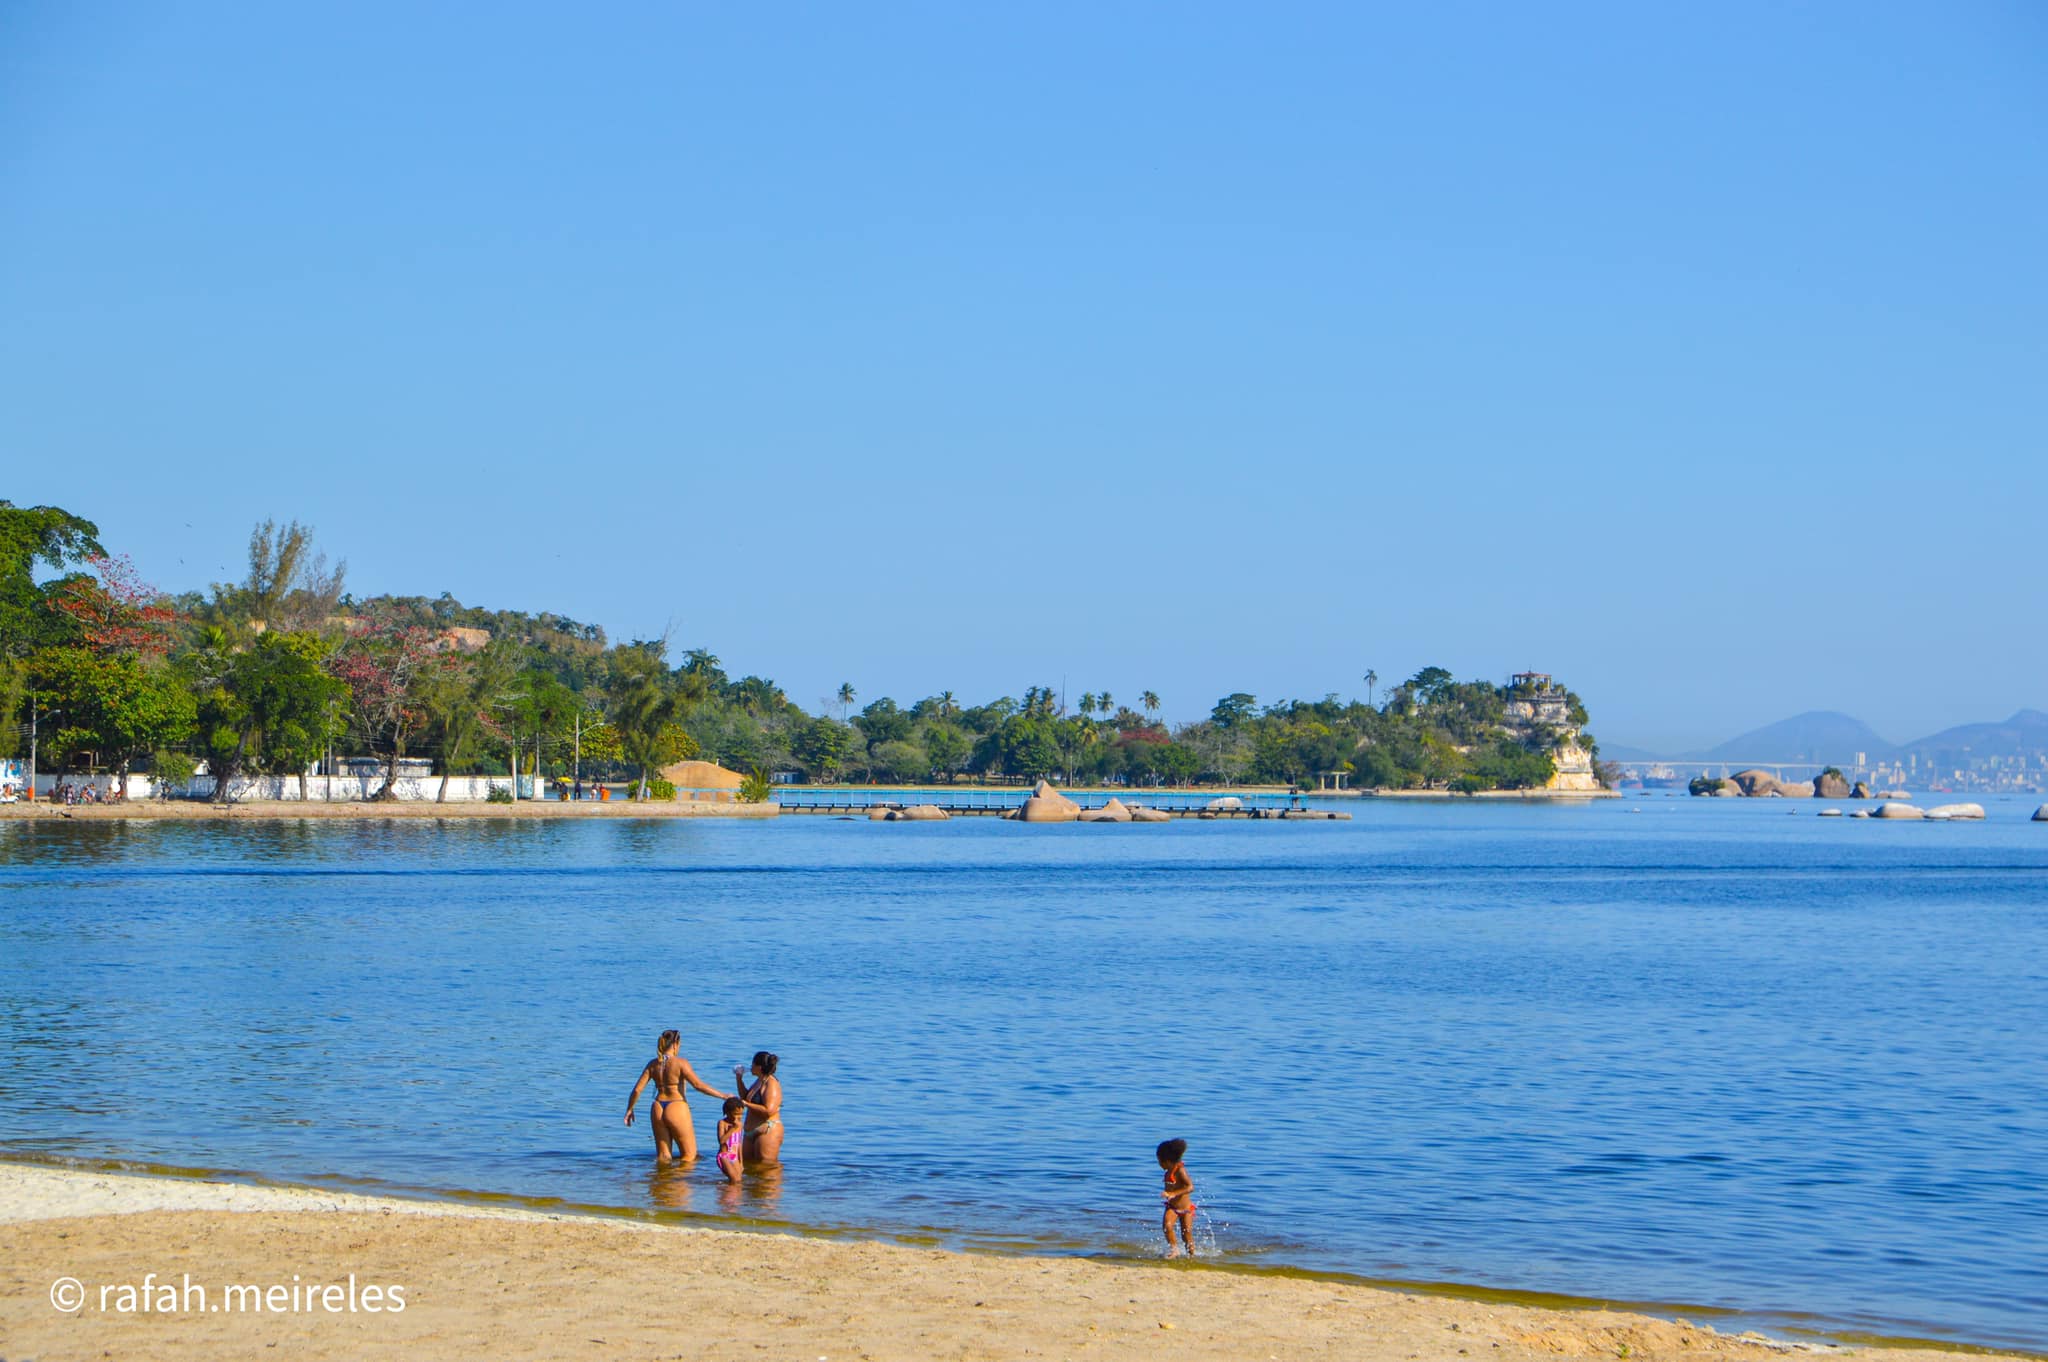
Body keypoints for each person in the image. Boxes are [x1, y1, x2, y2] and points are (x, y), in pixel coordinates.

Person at [624, 1029, 730, 1162]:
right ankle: (680, 1182)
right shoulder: (680, 1063)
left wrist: (629, 1109)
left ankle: (662, 1182)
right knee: (689, 1156)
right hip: (676, 1106)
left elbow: (637, 1090)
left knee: (663, 1157)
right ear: (675, 1044)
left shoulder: (652, 1064)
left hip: (657, 1107)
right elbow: (698, 1085)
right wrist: (723, 1095)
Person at [732, 1051, 784, 1165]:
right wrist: (739, 1079)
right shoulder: (759, 1081)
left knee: (766, 1168)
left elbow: (769, 1111)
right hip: (750, 1131)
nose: (750, 1067)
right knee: (746, 1166)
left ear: (759, 1067)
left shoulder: (771, 1084)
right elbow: (745, 1097)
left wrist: (746, 1104)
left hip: (767, 1130)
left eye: (753, 1064)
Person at [1157, 1138, 1197, 1257]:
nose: (1159, 1164)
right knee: (1167, 1226)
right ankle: (1174, 1249)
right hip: (1172, 1207)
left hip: (1186, 1209)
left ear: (1168, 1161)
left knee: (1187, 1234)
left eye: (1160, 1161)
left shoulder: (1180, 1171)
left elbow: (1190, 1187)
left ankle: (1191, 1255)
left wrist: (1173, 1194)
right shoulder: (1168, 1172)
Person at [715, 1097, 746, 1183]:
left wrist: (741, 1162)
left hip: (734, 1156)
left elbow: (739, 1144)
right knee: (734, 1179)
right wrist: (732, 1128)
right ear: (727, 1113)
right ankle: (729, 1194)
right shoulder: (722, 1123)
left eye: (741, 1114)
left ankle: (730, 1194)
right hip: (724, 1155)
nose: (739, 1117)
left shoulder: (740, 1125)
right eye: (736, 1114)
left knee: (738, 1180)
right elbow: (721, 1141)